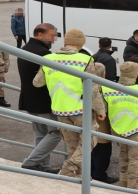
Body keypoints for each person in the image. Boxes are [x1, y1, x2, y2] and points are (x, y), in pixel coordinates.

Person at [33, 29, 107, 178]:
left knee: (72, 144)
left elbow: (37, 83)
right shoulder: (85, 59)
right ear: (81, 43)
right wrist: (100, 110)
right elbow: (93, 90)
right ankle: (70, 167)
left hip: (60, 109)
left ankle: (77, 176)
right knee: (90, 140)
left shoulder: (48, 58)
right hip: (80, 108)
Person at [18, 23, 61, 173]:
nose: (54, 39)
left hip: (29, 100)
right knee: (56, 132)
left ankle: (44, 166)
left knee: (41, 134)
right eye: (52, 35)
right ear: (40, 34)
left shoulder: (25, 49)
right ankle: (30, 162)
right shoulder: (43, 54)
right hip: (42, 102)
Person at [102, 62, 138, 190]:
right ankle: (133, 185)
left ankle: (123, 181)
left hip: (117, 128)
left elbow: (104, 107)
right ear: (135, 73)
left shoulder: (107, 89)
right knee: (135, 158)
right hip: (136, 127)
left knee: (123, 154)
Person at [91, 62, 118, 184]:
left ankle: (91, 171)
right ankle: (100, 174)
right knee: (103, 151)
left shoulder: (83, 83)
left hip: (88, 123)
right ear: (103, 73)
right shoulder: (106, 87)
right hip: (102, 125)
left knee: (90, 149)